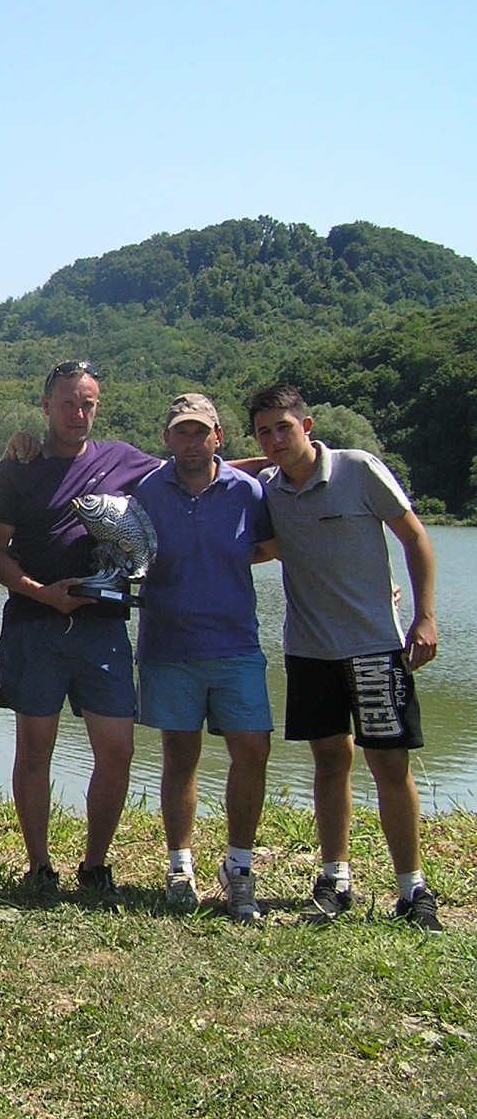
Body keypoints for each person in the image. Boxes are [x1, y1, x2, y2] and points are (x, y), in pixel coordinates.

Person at [245, 383, 442, 931]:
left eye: (284, 427)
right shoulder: (268, 490)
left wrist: (425, 616)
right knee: (330, 763)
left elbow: (415, 539)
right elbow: (226, 486)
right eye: (264, 432)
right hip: (309, 652)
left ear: (306, 426)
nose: (275, 439)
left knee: (390, 766)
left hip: (374, 647)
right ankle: (334, 880)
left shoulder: (358, 469)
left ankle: (412, 889)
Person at [0, 359, 160, 900]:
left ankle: (96, 864)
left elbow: (191, 471)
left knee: (118, 749)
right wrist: (43, 593)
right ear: (46, 406)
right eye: (67, 404)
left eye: (87, 404)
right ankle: (39, 866)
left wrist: (274, 461)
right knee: (35, 747)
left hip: (103, 628)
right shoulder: (18, 468)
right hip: (35, 624)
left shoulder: (121, 458)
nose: (77, 414)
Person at [132, 393, 274, 923]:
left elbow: (274, 545)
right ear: (167, 439)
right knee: (179, 755)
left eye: (200, 432)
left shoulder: (248, 491)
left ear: (219, 436)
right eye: (181, 432)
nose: (191, 442)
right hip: (169, 647)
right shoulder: (146, 491)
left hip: (236, 644)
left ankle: (239, 866)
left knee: (252, 750)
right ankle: (179, 866)